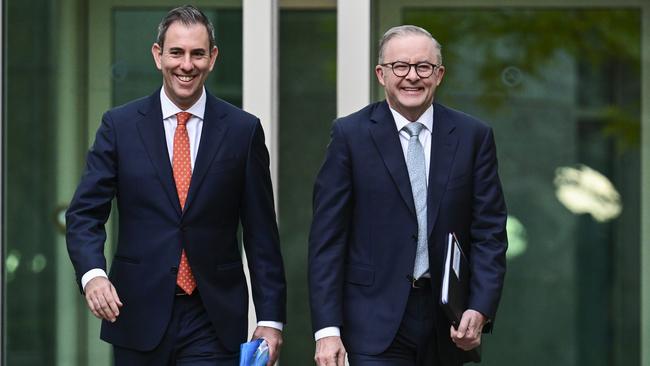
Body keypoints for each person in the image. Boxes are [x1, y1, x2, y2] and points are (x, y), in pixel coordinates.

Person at [65, 5, 286, 365]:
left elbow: (262, 234)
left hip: (213, 316)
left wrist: (270, 319)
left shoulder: (242, 131)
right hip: (136, 311)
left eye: (198, 53)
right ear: (158, 56)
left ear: (212, 58)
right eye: (176, 53)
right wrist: (93, 275)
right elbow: (84, 215)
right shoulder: (119, 127)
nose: (187, 65)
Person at [308, 25, 507, 366]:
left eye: (423, 67)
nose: (411, 77)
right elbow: (328, 240)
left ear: (439, 74)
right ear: (381, 74)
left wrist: (480, 306)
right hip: (371, 322)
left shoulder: (473, 137)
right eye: (400, 66)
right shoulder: (350, 136)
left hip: (449, 323)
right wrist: (327, 329)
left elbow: (489, 232)